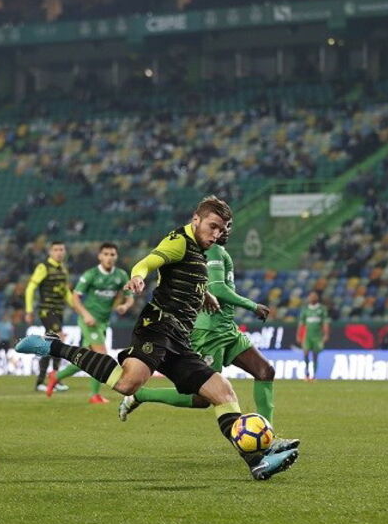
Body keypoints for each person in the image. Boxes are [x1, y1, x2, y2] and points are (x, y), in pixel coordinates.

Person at [17, 196, 299, 480]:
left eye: (221, 229)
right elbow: (149, 261)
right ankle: (54, 346)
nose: (216, 234)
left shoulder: (201, 251)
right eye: (212, 226)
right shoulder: (178, 240)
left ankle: (257, 463)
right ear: (196, 219)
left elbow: (183, 278)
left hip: (180, 338)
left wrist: (205, 294)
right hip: (158, 326)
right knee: (128, 383)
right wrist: (138, 276)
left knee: (222, 392)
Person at [118, 220, 283, 427]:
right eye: (218, 226)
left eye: (228, 226)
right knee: (202, 398)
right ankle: (141, 394)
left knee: (265, 371)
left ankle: (268, 432)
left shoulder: (219, 251)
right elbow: (218, 289)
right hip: (208, 331)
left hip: (227, 328)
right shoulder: (211, 252)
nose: (224, 231)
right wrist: (252, 305)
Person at [46, 242, 134, 403]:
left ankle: (56, 376)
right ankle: (95, 395)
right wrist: (86, 314)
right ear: (100, 256)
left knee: (88, 359)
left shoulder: (121, 275)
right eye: (105, 254)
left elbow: (130, 296)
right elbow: (75, 297)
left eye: (112, 254)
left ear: (116, 257)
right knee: (101, 356)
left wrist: (124, 306)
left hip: (103, 322)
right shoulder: (91, 275)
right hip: (89, 321)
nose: (109, 257)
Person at [24, 241, 95, 393]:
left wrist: (78, 308)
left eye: (62, 249)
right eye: (56, 250)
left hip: (59, 311)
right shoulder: (43, 267)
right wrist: (29, 310)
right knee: (57, 339)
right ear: (50, 252)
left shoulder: (63, 268)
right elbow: (31, 288)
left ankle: (53, 379)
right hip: (47, 311)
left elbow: (66, 293)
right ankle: (44, 380)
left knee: (54, 344)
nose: (59, 252)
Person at [297, 291, 329, 381]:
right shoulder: (305, 309)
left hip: (317, 336)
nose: (312, 298)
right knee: (306, 353)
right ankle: (307, 373)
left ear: (317, 298)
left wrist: (326, 334)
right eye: (311, 296)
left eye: (314, 296)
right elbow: (301, 324)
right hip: (307, 336)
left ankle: (314, 375)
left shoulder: (322, 309)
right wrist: (299, 335)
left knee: (315, 355)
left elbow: (325, 323)